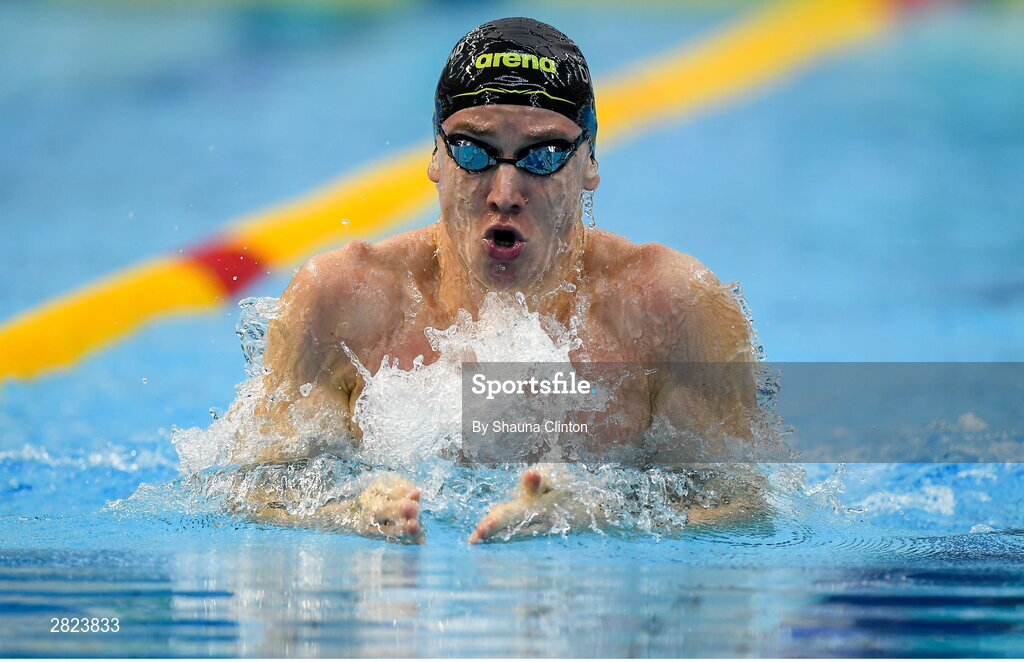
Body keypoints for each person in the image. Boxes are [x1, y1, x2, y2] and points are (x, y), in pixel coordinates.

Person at [230, 17, 761, 544]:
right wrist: (347, 513)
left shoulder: (672, 309)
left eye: (545, 154)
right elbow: (252, 492)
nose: (505, 190)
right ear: (436, 155)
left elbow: (745, 506)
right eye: (473, 151)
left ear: (591, 163)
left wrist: (601, 515)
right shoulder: (341, 301)